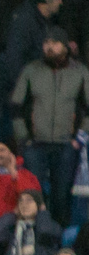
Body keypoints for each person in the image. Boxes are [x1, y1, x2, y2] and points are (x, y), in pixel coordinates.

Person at [11, 27, 89, 224]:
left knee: (61, 196)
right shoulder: (31, 70)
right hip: (35, 145)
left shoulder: (80, 72)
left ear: (65, 46)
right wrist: (24, 139)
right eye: (46, 43)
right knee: (34, 196)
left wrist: (79, 138)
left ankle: (58, 241)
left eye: (54, 43)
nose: (49, 47)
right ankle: (35, 239)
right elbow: (16, 106)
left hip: (66, 144)